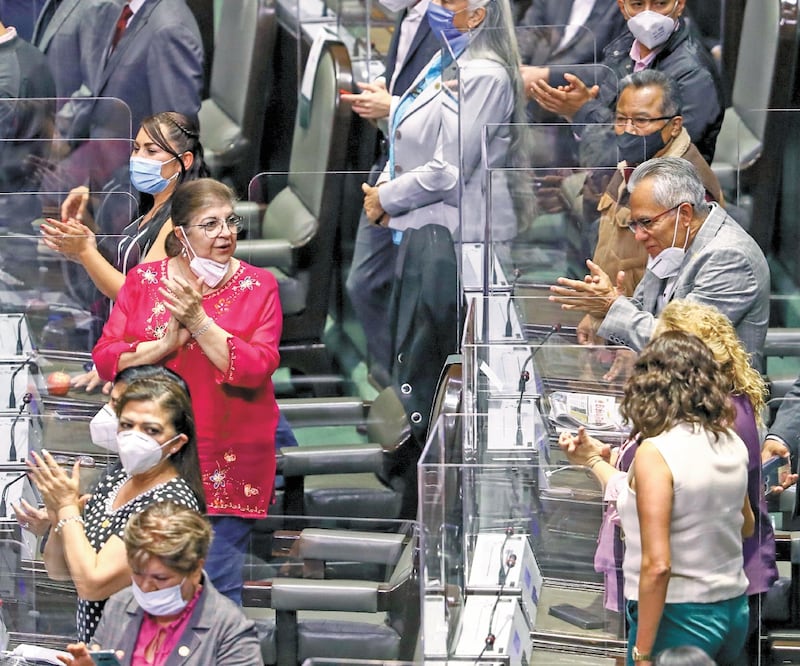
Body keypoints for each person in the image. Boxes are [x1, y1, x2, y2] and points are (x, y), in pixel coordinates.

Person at [93, 178, 282, 605]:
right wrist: (159, 348)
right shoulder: (144, 281)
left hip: (227, 459)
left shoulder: (260, 286)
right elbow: (106, 355)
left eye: (231, 221)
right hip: (156, 458)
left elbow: (256, 368)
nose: (226, 233)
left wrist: (200, 323)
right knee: (151, 583)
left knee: (214, 588)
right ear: (181, 234)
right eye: (210, 224)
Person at [562, 331, 752, 664]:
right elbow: (746, 525)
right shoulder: (730, 442)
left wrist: (643, 651)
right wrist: (594, 461)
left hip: (676, 617)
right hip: (733, 610)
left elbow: (658, 566)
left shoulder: (656, 451)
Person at [26, 370, 205, 643]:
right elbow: (60, 571)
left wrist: (67, 509)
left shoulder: (170, 504)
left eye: (151, 430)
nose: (135, 437)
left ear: (177, 443)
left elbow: (93, 584)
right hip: (98, 648)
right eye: (127, 424)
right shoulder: (118, 476)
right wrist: (58, 517)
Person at [549, 156, 770, 369]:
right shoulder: (673, 240)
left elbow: (683, 345)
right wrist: (606, 310)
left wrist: (612, 306)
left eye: (646, 222)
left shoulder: (729, 257)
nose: (639, 236)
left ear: (684, 213)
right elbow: (645, 311)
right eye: (635, 224)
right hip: (662, 387)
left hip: (713, 401)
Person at [576, 69, 723, 342]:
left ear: (675, 125)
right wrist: (596, 313)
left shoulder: (689, 188)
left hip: (651, 342)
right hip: (616, 322)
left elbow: (676, 290)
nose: (628, 130)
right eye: (621, 119)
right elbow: (611, 249)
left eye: (642, 120)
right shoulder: (631, 166)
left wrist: (619, 320)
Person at [341, 0, 440, 386]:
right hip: (389, 164)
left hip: (427, 180)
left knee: (414, 298)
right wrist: (386, 97)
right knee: (363, 283)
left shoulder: (453, 20)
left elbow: (449, 105)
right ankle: (391, 386)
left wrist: (394, 106)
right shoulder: (406, 15)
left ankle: (409, 397)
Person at [57, 502, 262, 666]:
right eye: (137, 573)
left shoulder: (229, 629)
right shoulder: (120, 604)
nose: (145, 587)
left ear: (195, 569)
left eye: (160, 578)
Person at [528, 0, 723, 165]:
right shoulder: (622, 52)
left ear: (679, 5)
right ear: (623, 7)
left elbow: (647, 157)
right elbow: (605, 137)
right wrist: (577, 109)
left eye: (660, 3)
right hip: (611, 185)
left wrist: (582, 111)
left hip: (664, 197)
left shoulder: (693, 74)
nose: (649, 16)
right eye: (637, 4)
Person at [32, 0, 122, 102]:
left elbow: (92, 88)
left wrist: (63, 117)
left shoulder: (101, 4)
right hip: (40, 112)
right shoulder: (53, 4)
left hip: (67, 115)